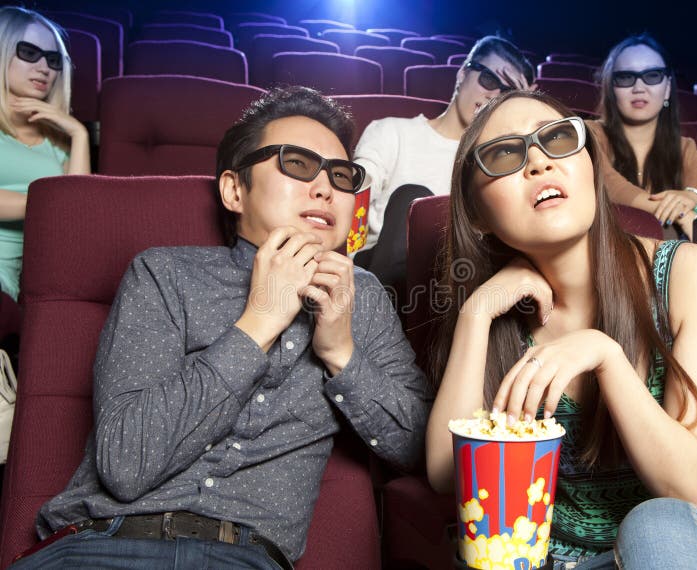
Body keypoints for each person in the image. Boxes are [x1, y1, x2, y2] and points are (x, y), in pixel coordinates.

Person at [10, 86, 431, 569]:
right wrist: (258, 324)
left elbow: (422, 448)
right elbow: (124, 465)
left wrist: (341, 353)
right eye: (296, 163)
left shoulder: (362, 296)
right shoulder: (165, 274)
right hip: (99, 547)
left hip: (244, 559)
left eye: (341, 176)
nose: (325, 188)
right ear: (234, 190)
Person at [425, 89, 697, 569]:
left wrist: (607, 358)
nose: (538, 163)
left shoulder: (689, 273)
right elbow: (446, 473)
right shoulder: (500, 317)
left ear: (589, 168)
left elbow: (690, 490)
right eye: (505, 154)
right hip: (573, 563)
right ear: (476, 213)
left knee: (652, 524)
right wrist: (475, 316)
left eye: (557, 139)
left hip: (696, 552)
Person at [353, 35, 533, 291]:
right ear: (462, 74)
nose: (493, 95)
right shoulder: (392, 131)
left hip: (452, 284)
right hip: (378, 273)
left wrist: (521, 111)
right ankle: (371, 318)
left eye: (506, 93)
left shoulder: (496, 165)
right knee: (413, 198)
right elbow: (356, 195)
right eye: (489, 79)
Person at [0, 7, 90, 300]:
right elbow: (63, 209)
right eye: (29, 52)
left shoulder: (57, 144)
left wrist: (79, 134)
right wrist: (52, 207)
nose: (44, 68)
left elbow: (77, 214)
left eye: (53, 60)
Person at [590, 33, 697, 241]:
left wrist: (696, 197)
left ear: (667, 89)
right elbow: (608, 184)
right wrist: (681, 210)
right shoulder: (590, 133)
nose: (639, 88)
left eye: (653, 75)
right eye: (626, 77)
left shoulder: (686, 148)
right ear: (611, 88)